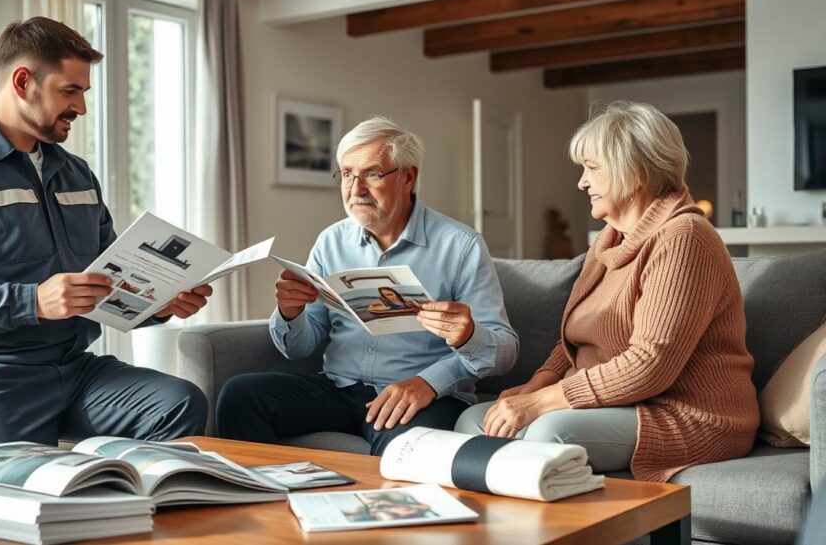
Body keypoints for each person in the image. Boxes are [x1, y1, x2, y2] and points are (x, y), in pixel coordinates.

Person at [0, 17, 211, 461]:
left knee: (179, 402)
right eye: (69, 91)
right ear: (23, 81)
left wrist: (160, 303)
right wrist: (33, 301)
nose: (80, 107)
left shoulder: (76, 173)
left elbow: (108, 280)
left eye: (83, 93)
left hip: (75, 370)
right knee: (4, 487)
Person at [455, 101, 759, 482]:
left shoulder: (686, 238)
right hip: (613, 405)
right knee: (474, 420)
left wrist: (539, 405)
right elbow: (574, 344)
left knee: (550, 435)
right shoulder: (608, 241)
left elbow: (650, 364)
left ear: (634, 172)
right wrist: (531, 390)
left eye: (592, 169)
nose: (582, 182)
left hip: (684, 412)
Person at [215, 116, 519, 455]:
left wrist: (443, 364)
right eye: (347, 174)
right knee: (240, 395)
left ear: (408, 177)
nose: (356, 189)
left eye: (372, 174)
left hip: (421, 395)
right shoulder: (331, 241)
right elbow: (300, 348)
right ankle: (258, 499)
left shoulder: (461, 245)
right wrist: (290, 313)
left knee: (405, 450)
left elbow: (505, 351)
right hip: (338, 388)